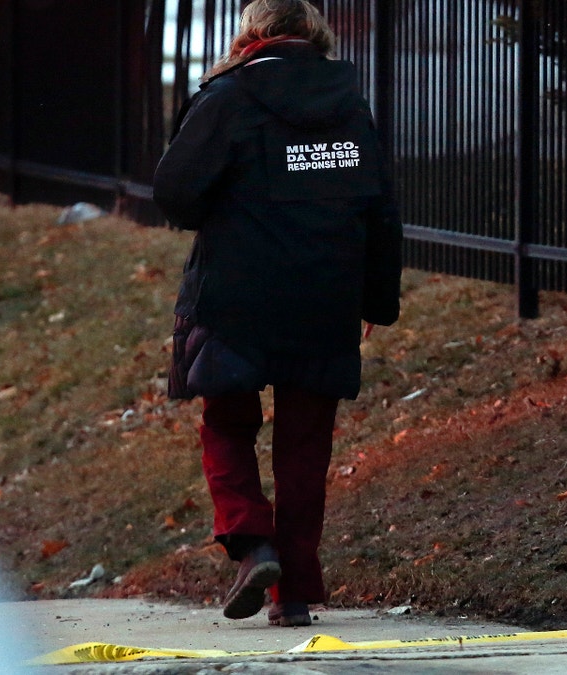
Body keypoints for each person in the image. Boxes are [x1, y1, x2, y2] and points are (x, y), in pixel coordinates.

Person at [152, 0, 401, 627]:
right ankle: (290, 595)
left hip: (235, 298)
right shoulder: (351, 104)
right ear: (314, 35)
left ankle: (251, 542)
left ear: (252, 34)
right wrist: (375, 300)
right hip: (325, 298)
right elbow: (381, 211)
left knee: (227, 425)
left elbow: (176, 194)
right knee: (304, 448)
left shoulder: (228, 97)